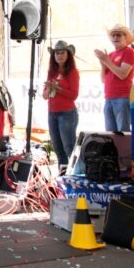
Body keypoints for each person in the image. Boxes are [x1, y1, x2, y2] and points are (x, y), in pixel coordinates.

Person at [42, 40, 79, 173]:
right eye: (57, 53)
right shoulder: (51, 72)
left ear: (68, 54)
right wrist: (49, 89)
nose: (59, 56)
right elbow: (45, 96)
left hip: (67, 113)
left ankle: (75, 174)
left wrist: (57, 89)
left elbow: (74, 95)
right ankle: (63, 177)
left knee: (69, 147)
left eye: (62, 53)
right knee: (58, 148)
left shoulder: (73, 72)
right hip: (52, 113)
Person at [94, 24, 134, 132]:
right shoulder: (111, 54)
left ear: (125, 38)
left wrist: (106, 60)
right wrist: (103, 64)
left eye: (118, 35)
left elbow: (123, 74)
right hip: (109, 98)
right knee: (110, 134)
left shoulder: (129, 51)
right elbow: (103, 80)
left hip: (122, 97)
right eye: (113, 35)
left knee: (123, 133)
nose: (115, 38)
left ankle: (125, 150)